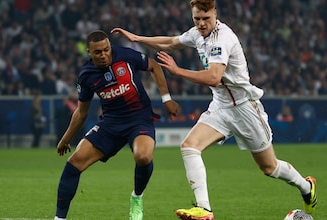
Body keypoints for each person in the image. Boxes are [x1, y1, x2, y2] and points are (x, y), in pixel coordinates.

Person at [111, 0, 318, 219]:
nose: (201, 24)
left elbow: (213, 77)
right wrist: (137, 38)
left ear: (215, 14)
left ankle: (306, 188)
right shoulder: (198, 33)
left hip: (244, 109)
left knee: (269, 168)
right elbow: (171, 42)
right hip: (221, 107)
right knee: (189, 146)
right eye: (196, 19)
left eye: (205, 18)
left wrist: (177, 71)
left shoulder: (222, 39)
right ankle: (204, 209)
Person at [54, 30, 179, 220]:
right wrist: (65, 139)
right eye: (98, 52)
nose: (104, 55)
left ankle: (137, 198)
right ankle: (59, 218)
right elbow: (81, 112)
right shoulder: (86, 76)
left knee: (143, 157)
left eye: (106, 49)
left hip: (139, 119)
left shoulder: (125, 55)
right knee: (74, 163)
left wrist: (166, 98)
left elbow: (153, 66)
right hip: (110, 124)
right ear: (89, 52)